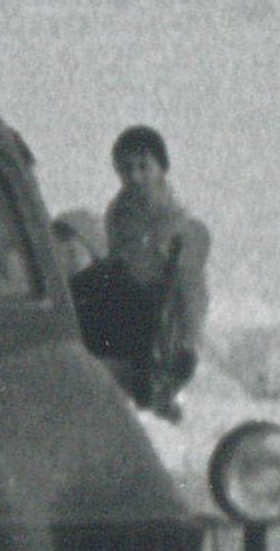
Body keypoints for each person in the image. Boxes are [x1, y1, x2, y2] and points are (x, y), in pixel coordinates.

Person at [72, 126, 211, 417]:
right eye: (125, 169)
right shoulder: (119, 214)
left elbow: (192, 290)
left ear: (161, 169)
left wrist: (189, 347)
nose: (134, 177)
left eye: (143, 167)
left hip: (156, 324)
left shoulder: (180, 226)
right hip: (122, 312)